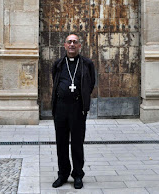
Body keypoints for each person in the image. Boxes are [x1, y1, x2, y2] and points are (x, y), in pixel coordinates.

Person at [51, 34, 95, 189]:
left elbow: (91, 84)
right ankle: (63, 174)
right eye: (69, 42)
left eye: (75, 42)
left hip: (77, 109)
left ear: (79, 46)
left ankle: (77, 175)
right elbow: (55, 81)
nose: (72, 44)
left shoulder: (87, 64)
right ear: (64, 45)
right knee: (61, 143)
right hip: (61, 109)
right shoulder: (58, 64)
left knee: (77, 144)